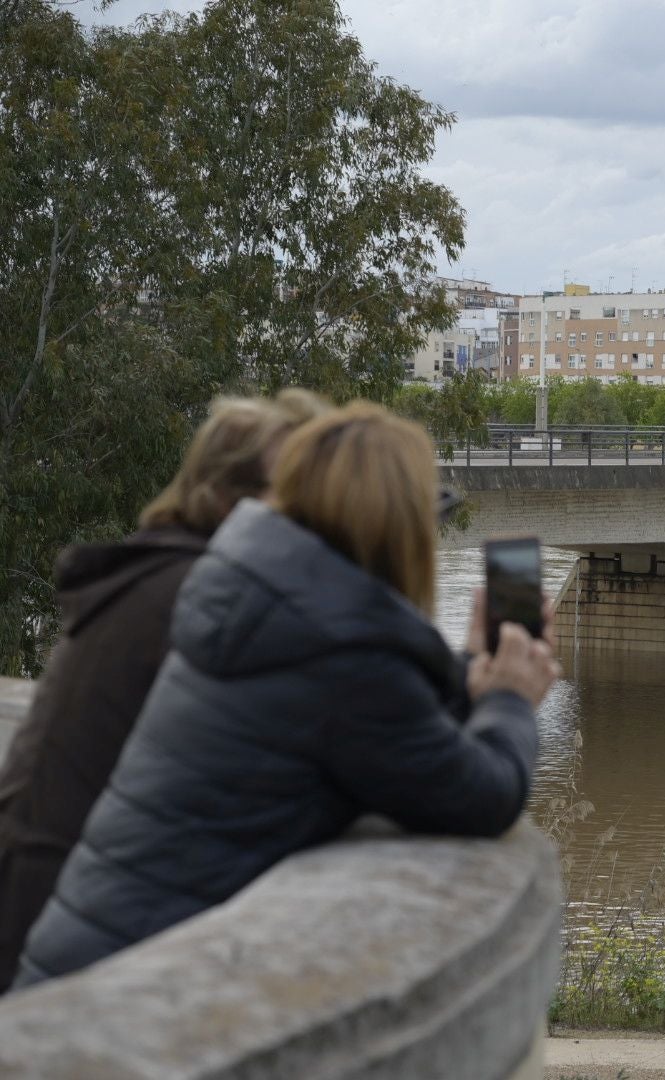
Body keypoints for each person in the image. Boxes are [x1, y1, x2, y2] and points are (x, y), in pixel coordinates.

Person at [10, 402, 559, 990]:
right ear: (397, 527)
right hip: (121, 987)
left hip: (80, 949)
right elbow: (482, 795)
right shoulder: (340, 652)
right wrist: (509, 701)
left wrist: (473, 675)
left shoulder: (257, 601)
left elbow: (384, 725)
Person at [0, 390, 329, 989]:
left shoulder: (150, 574)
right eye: (298, 500)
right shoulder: (203, 599)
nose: (319, 520)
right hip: (63, 933)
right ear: (232, 504)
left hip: (39, 895)